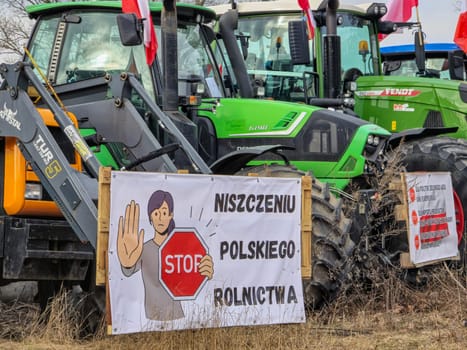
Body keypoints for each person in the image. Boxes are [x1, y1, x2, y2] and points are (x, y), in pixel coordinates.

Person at [117, 190, 214, 321]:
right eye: (156, 213)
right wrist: (126, 264)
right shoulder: (143, 249)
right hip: (150, 320)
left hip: (178, 319)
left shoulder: (180, 247)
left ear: (171, 215)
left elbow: (190, 276)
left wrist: (206, 274)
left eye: (164, 213)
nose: (160, 218)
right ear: (150, 217)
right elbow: (127, 273)